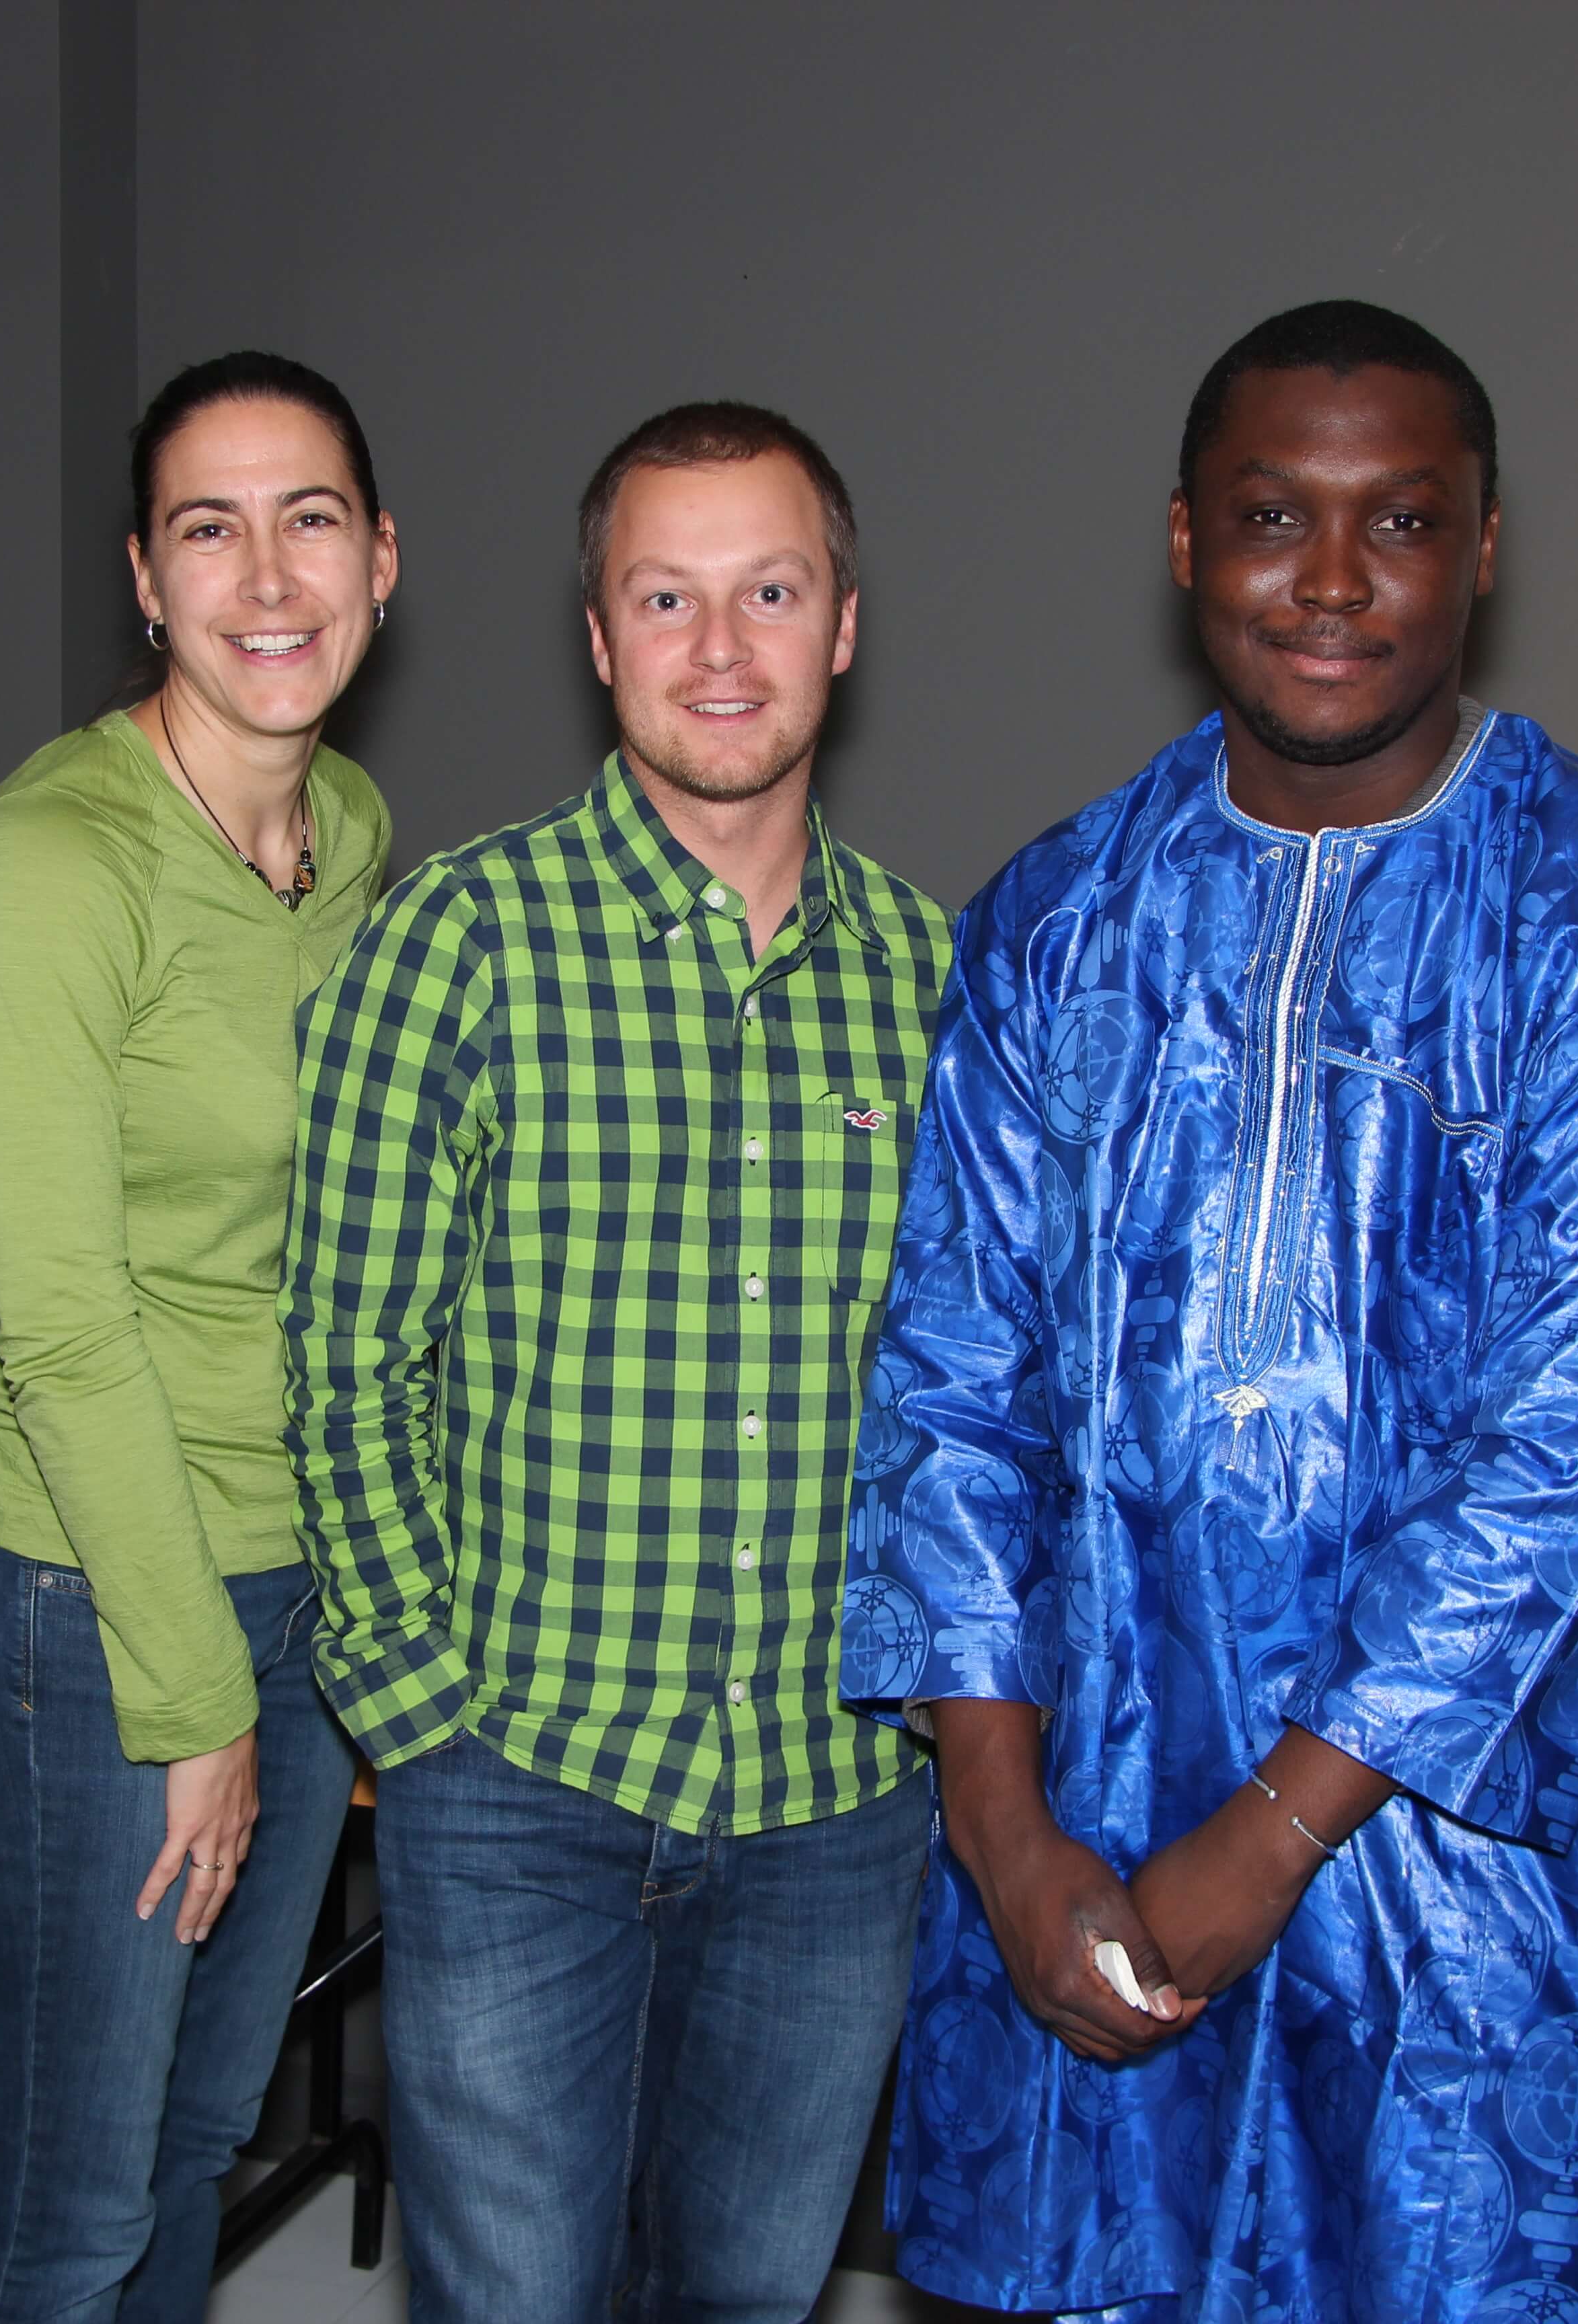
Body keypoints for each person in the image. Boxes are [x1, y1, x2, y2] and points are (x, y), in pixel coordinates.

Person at [837, 300, 1578, 2324]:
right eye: (1272, 515)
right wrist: (1002, 1836)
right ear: (1184, 544)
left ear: (1486, 549)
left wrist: (1262, 1846)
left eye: (1402, 521)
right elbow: (953, 1392)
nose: (1332, 579)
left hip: (1446, 1862)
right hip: (1084, 1811)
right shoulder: (1056, 918)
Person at [285, 402, 951, 2324]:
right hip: (521, 1785)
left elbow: (975, 1398)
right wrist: (420, 1713)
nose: (720, 647)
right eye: (667, 595)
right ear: (597, 633)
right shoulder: (459, 944)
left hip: (833, 1802)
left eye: (769, 590)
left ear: (844, 626)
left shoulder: (936, 978)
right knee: (514, 2305)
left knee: (746, 2299)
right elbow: (344, 1364)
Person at [0, 352, 396, 2324]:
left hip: (290, 1583)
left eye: (309, 520)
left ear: (383, 560)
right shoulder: (46, 868)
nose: (265, 574)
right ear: (143, 574)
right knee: (69, 2198)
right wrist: (190, 1692)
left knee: (198, 2149)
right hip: (82, 1595)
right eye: (210, 525)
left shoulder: (350, 829)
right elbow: (66, 1328)